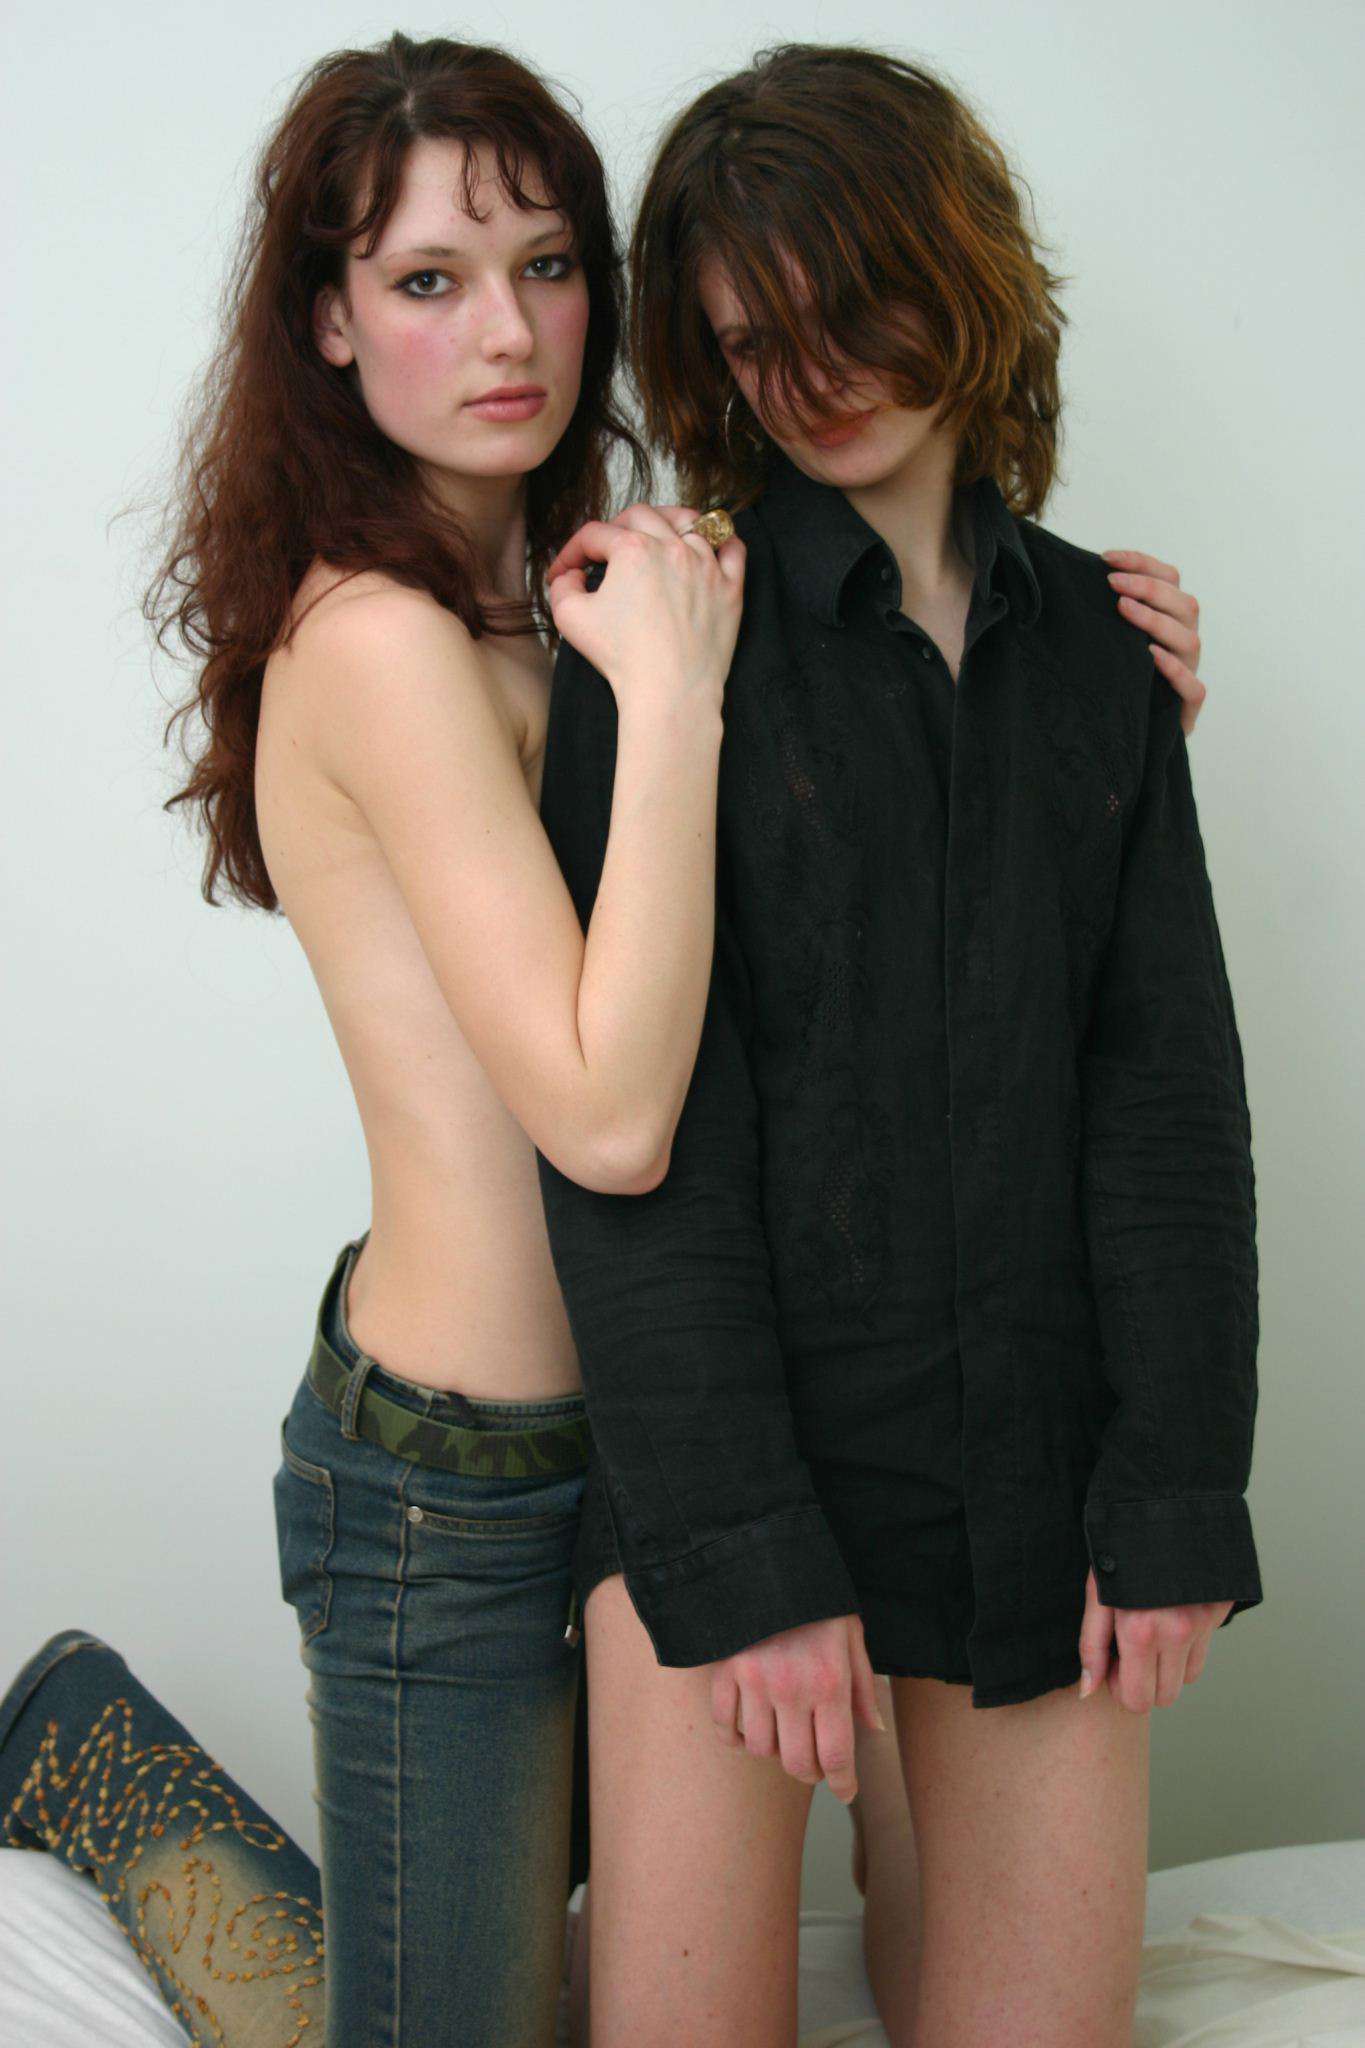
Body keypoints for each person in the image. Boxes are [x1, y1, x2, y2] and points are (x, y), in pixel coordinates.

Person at [1, 28, 1217, 2048]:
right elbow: (614, 1118)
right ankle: (105, 1769)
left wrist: (1076, 717)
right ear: (326, 318)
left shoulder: (569, 598)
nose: (507, 331)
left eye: (548, 266)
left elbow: (892, 951)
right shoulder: (397, 642)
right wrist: (674, 701)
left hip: (679, 1428)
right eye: (427, 279)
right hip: (465, 1474)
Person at [532, 40, 1260, 2048]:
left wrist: (1172, 1496)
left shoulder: (1105, 651)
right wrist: (746, 1556)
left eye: (851, 306)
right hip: (732, 1474)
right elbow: (642, 1153)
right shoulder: (663, 640)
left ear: (961, 276)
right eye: (751, 339)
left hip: (1029, 1481)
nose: (812, 375)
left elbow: (1164, 1110)